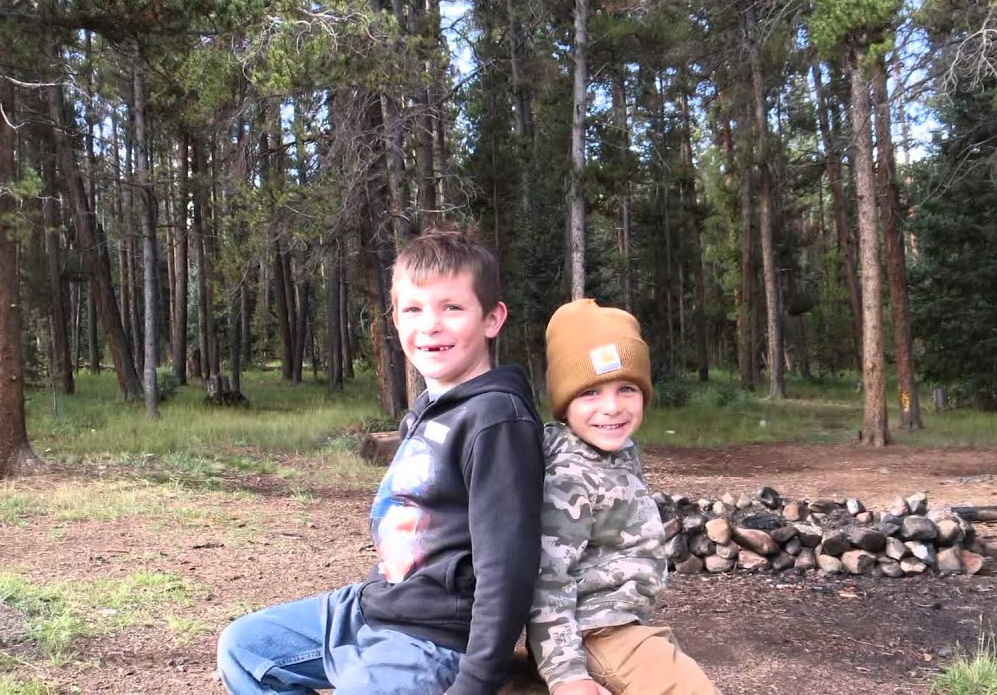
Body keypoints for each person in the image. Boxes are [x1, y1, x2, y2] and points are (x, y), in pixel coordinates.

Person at [217, 228, 545, 695]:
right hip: (374, 606)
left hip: (433, 637)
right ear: (395, 320)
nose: (430, 324)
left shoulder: (496, 420)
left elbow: (507, 568)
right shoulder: (429, 411)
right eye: (413, 309)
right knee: (246, 648)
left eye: (452, 308)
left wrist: (475, 682)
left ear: (492, 319)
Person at [528, 299, 719, 695]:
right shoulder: (569, 476)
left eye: (626, 388)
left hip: (621, 621)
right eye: (591, 393)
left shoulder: (616, 453)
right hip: (596, 631)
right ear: (564, 404)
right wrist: (567, 675)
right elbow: (547, 580)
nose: (612, 407)